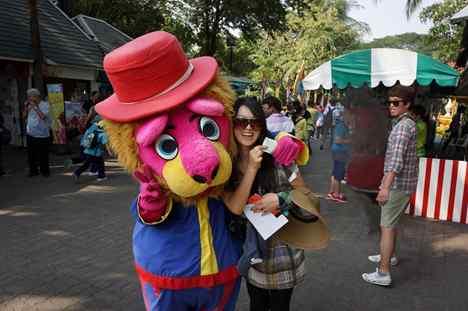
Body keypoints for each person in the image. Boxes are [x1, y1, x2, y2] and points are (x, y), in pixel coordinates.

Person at [224, 97, 307, 311]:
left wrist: (281, 199)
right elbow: (234, 206)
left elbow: (306, 195)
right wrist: (251, 168)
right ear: (232, 124)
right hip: (252, 253)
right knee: (256, 304)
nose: (249, 128)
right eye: (242, 122)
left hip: (282, 253)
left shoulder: (279, 155)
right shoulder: (226, 166)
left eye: (255, 122)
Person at [362, 85, 418, 287]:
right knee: (391, 224)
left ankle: (383, 272)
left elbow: (396, 161)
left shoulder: (403, 126)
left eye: (396, 103)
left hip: (397, 185)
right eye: (390, 102)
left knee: (386, 226)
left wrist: (384, 187)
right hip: (403, 184)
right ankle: (389, 256)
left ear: (407, 104)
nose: (391, 106)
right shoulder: (407, 123)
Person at [23, 88, 51, 177]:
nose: (28, 98)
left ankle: (45, 171)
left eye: (30, 96)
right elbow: (23, 116)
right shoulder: (28, 104)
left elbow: (43, 117)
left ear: (36, 97)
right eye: (28, 97)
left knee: (43, 154)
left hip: (42, 134)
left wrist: (35, 107)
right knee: (31, 155)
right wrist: (26, 109)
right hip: (30, 133)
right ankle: (33, 171)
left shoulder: (45, 105)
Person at [327, 108, 351, 203]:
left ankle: (332, 192)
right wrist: (350, 141)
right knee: (338, 173)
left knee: (335, 172)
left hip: (338, 151)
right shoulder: (341, 126)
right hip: (339, 152)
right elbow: (337, 140)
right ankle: (336, 194)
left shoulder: (342, 125)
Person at [73, 117, 108, 181]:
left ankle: (77, 172)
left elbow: (85, 137)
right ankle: (101, 176)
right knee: (100, 164)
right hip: (96, 153)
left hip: (87, 150)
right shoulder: (103, 133)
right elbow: (104, 143)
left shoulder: (92, 128)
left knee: (87, 164)